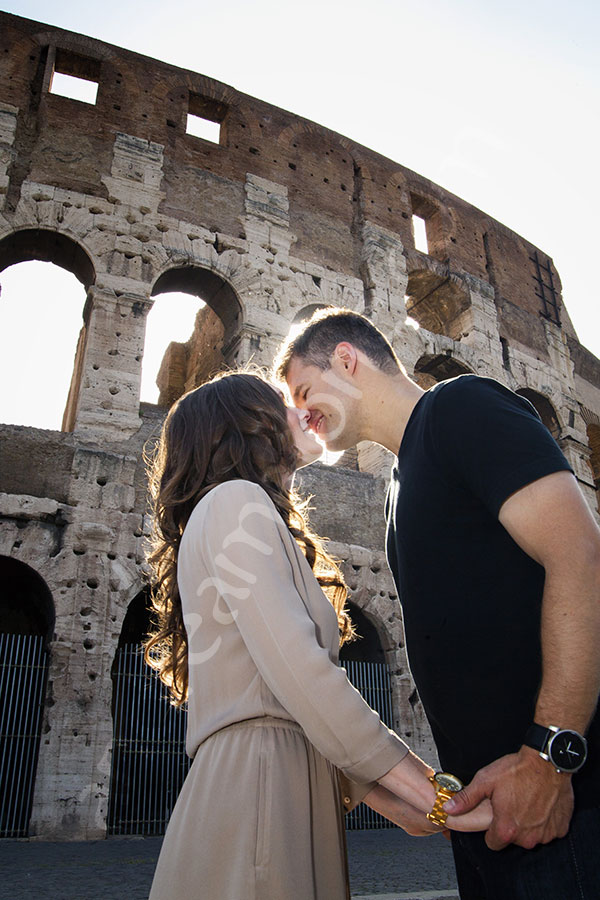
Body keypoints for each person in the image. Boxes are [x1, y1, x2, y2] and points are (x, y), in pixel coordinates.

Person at [275, 308, 600, 900]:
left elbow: (580, 556)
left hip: (556, 794)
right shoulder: (400, 485)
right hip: (491, 812)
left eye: (303, 389)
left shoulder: (460, 407)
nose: (300, 413)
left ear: (347, 359)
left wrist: (551, 755)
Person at [143, 371, 489, 900]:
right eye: (280, 402)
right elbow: (300, 671)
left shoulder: (230, 511)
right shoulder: (236, 501)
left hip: (273, 777)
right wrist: (427, 790)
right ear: (246, 425)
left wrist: (387, 797)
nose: (301, 408)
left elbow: (284, 687)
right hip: (261, 786)